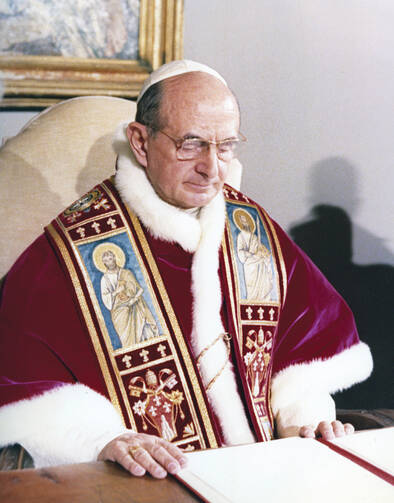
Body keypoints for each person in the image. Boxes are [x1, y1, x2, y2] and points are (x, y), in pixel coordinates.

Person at [0, 60, 373, 479]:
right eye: (191, 144)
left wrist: (303, 418)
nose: (212, 169)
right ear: (140, 142)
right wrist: (101, 438)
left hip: (266, 476)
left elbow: (302, 346)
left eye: (226, 145)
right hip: (146, 485)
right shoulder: (70, 249)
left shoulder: (253, 229)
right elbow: (23, 377)